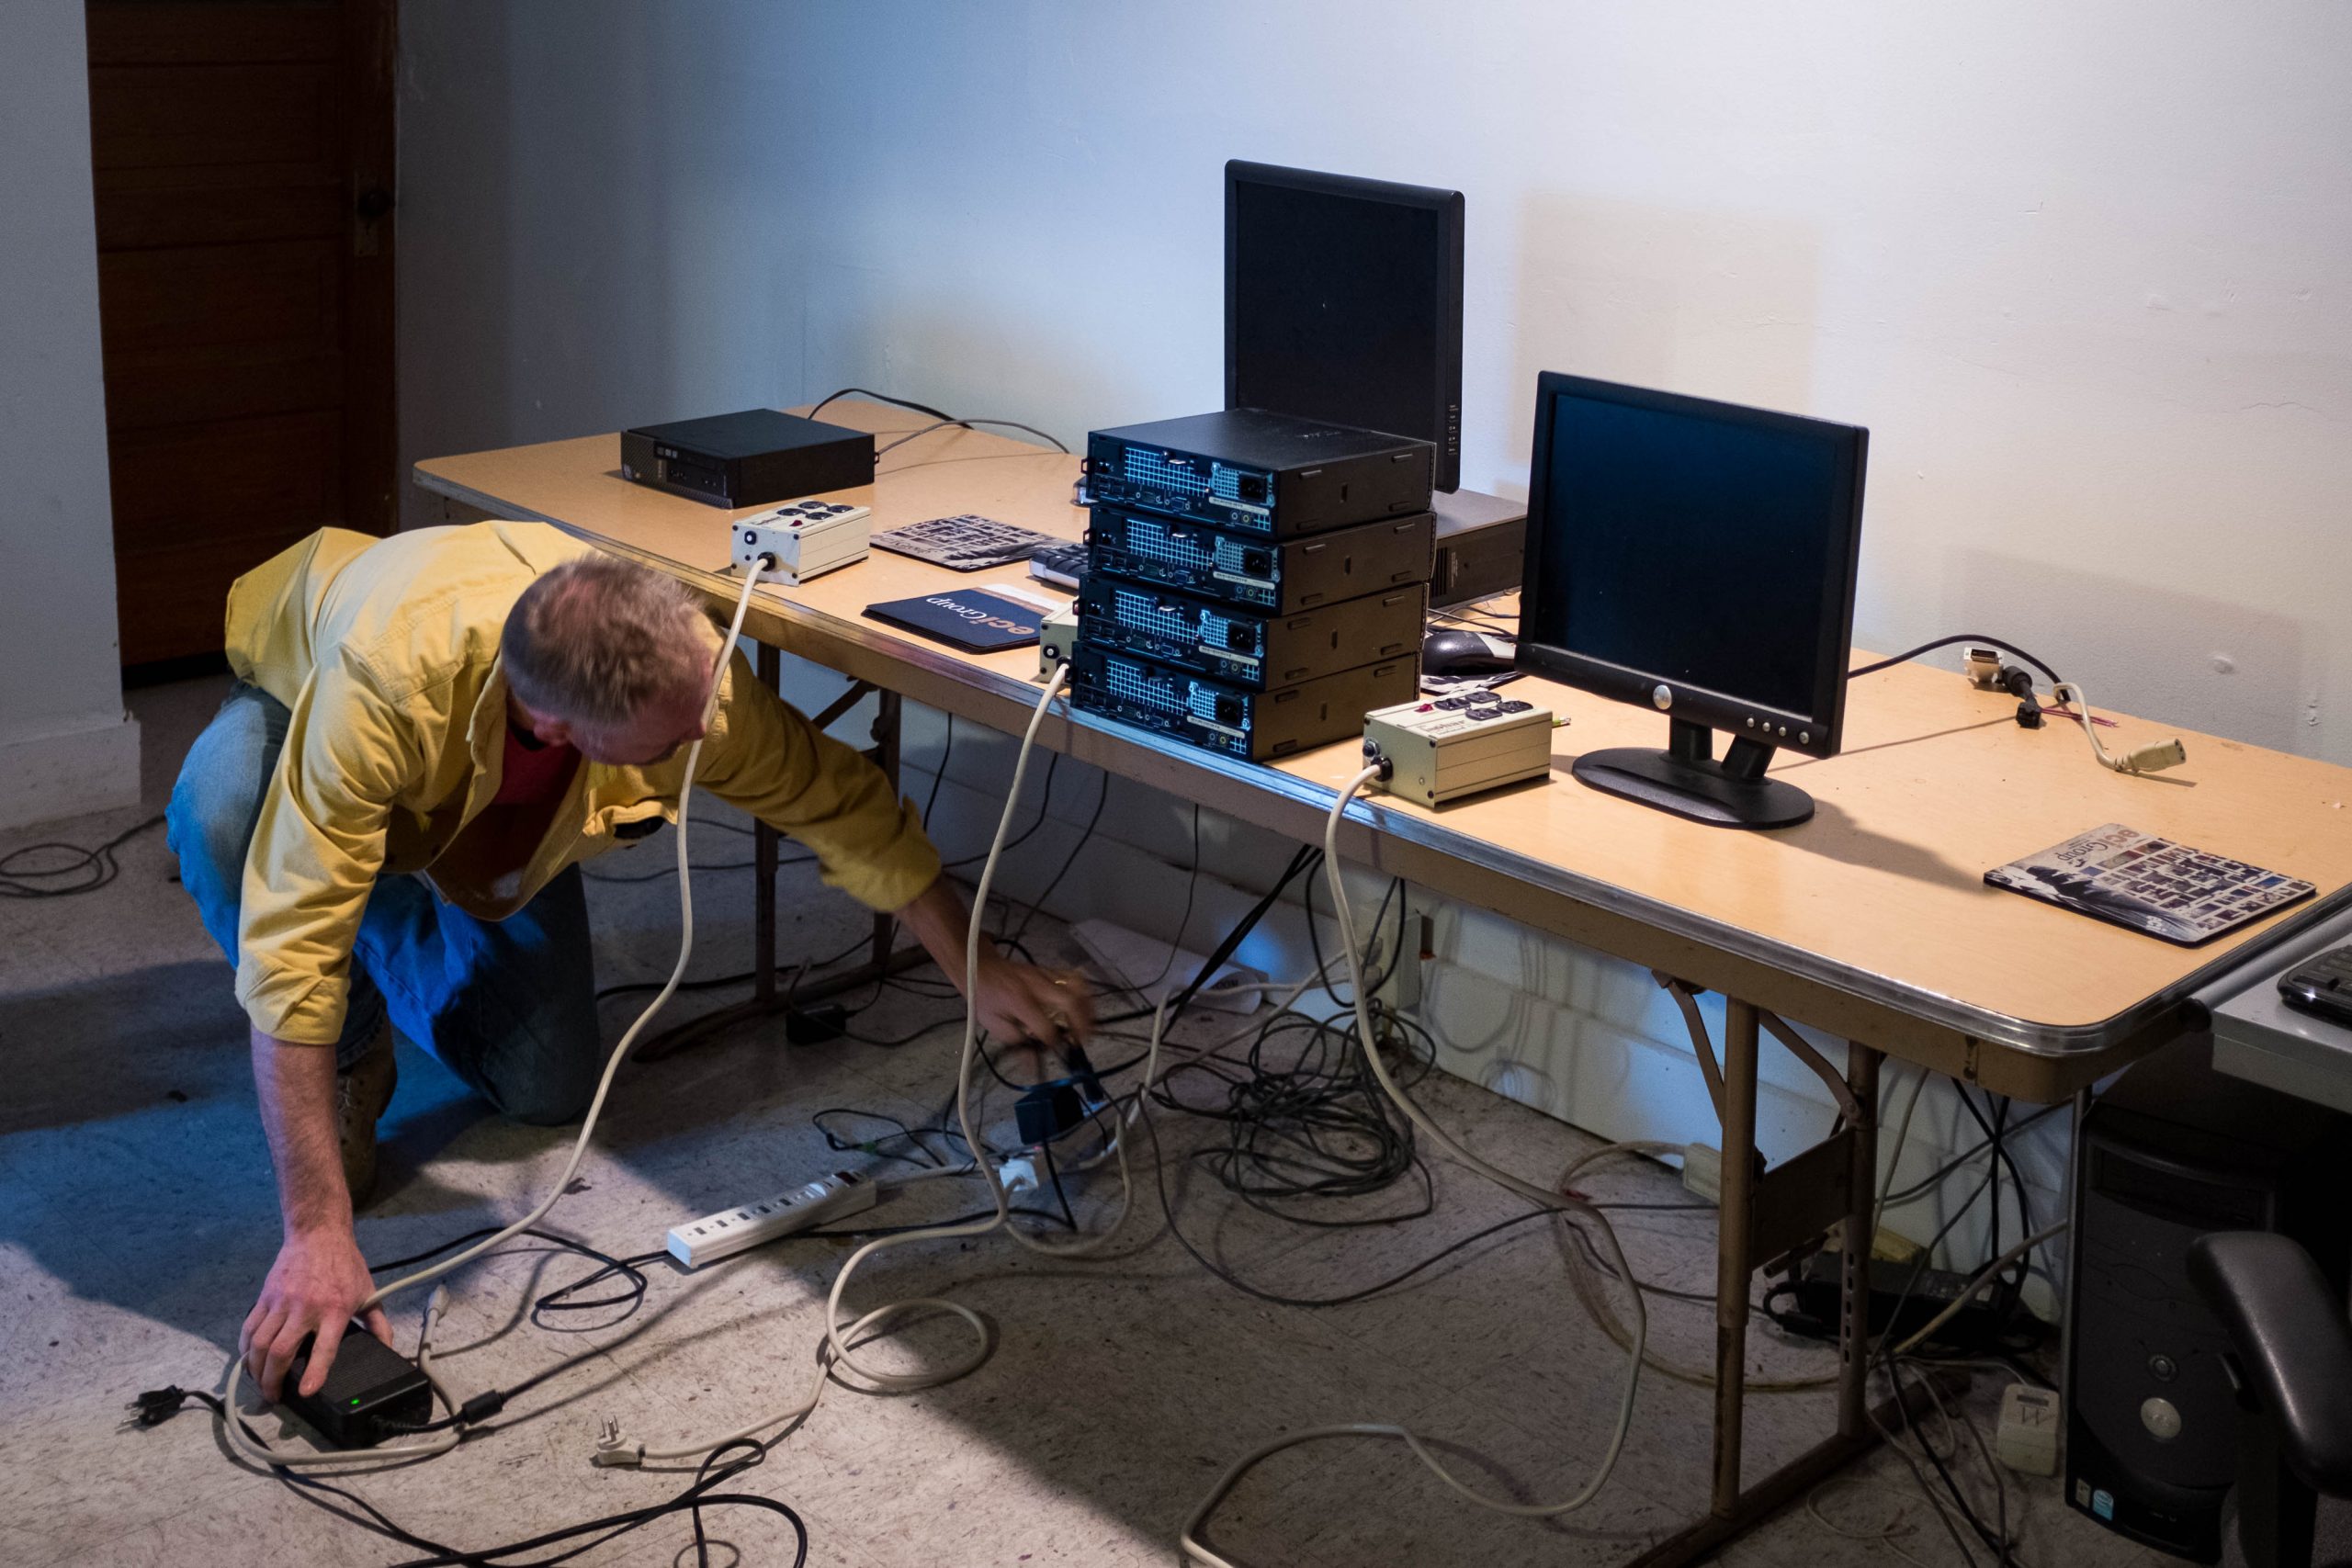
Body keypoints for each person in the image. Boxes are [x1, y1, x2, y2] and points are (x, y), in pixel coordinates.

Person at [166, 521, 1091, 1405]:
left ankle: (397, 887)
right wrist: (317, 1231)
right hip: (311, 689)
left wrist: (978, 966)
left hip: (492, 811)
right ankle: (357, 1010)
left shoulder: (681, 674)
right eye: (671, 741)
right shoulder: (383, 691)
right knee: (225, 810)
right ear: (556, 723)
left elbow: (830, 796)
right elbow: (292, 958)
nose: (704, 739)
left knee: (545, 1088)